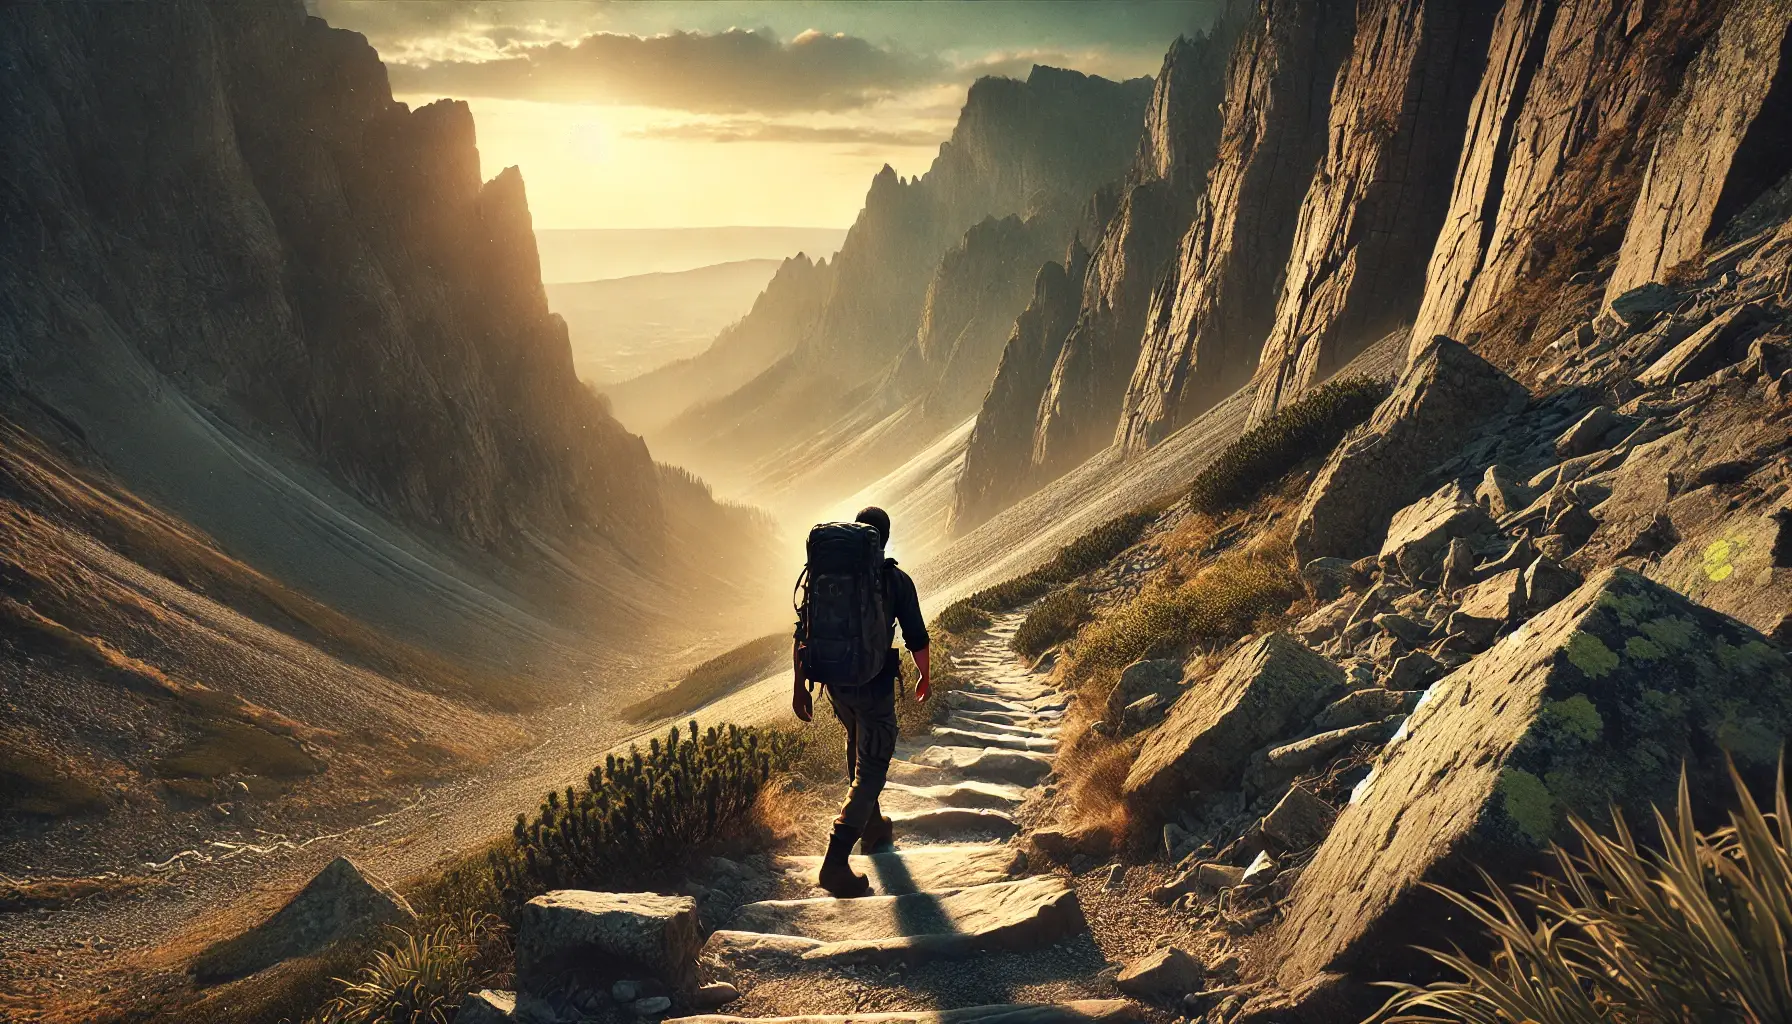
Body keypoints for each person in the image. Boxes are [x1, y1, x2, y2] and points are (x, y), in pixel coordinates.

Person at [791, 505, 931, 897]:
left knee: (856, 743)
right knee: (872, 766)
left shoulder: (828, 577)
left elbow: (803, 633)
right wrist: (925, 675)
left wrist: (800, 687)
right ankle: (835, 862)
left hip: (834, 682)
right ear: (882, 540)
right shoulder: (894, 581)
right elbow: (916, 635)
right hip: (873, 683)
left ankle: (874, 827)